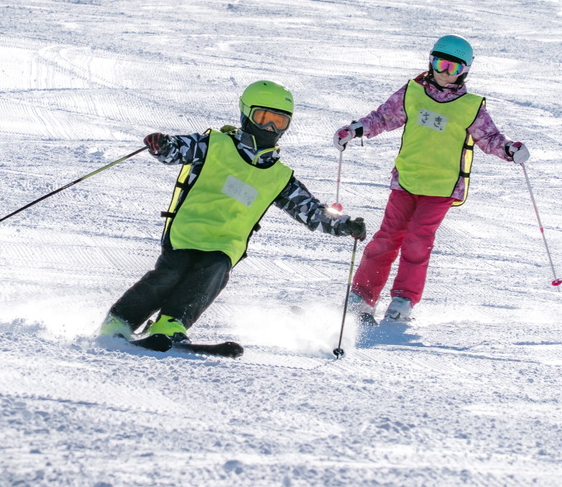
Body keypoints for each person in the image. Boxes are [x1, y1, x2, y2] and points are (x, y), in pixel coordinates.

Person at [97, 80, 367, 351]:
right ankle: (120, 321)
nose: (270, 128)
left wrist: (344, 225)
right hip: (188, 230)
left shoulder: (280, 176)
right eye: (263, 118)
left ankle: (171, 323)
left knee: (212, 273)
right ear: (246, 115)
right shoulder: (214, 144)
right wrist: (162, 145)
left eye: (279, 122)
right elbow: (179, 149)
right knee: (170, 274)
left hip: (226, 243)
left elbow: (310, 210)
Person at [334, 35, 530, 323]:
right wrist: (356, 129)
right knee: (387, 237)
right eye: (440, 63)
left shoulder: (470, 106)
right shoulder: (412, 92)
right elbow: (384, 117)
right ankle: (362, 296)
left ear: (465, 71)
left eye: (453, 68)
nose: (444, 72)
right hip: (407, 180)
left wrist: (510, 149)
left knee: (417, 240)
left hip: (441, 188)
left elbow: (489, 137)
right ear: (430, 61)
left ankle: (403, 299)